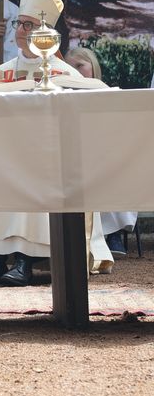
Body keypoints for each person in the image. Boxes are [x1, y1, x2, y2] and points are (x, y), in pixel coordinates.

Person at [0, 0, 113, 285]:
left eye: (29, 25)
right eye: (20, 24)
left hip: (50, 162)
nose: (21, 30)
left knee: (35, 180)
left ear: (48, 35)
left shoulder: (67, 75)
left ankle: (27, 261)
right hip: (3, 160)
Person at [66, 47, 133, 256]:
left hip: (104, 155)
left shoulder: (108, 93)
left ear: (92, 67)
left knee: (118, 169)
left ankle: (113, 232)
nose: (75, 71)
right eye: (70, 67)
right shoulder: (60, 98)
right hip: (72, 160)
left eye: (80, 66)